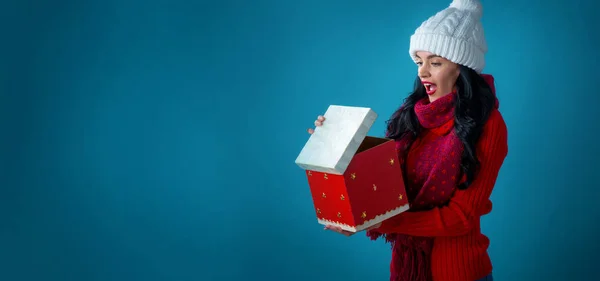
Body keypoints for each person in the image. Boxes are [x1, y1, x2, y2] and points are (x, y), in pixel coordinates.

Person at [306, 0, 507, 281]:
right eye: (419, 61)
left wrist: (379, 221)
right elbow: (385, 182)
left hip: (458, 272)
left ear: (462, 68)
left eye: (435, 62)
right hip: (406, 269)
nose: (422, 72)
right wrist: (336, 144)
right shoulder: (410, 118)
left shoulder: (488, 124)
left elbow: (461, 217)